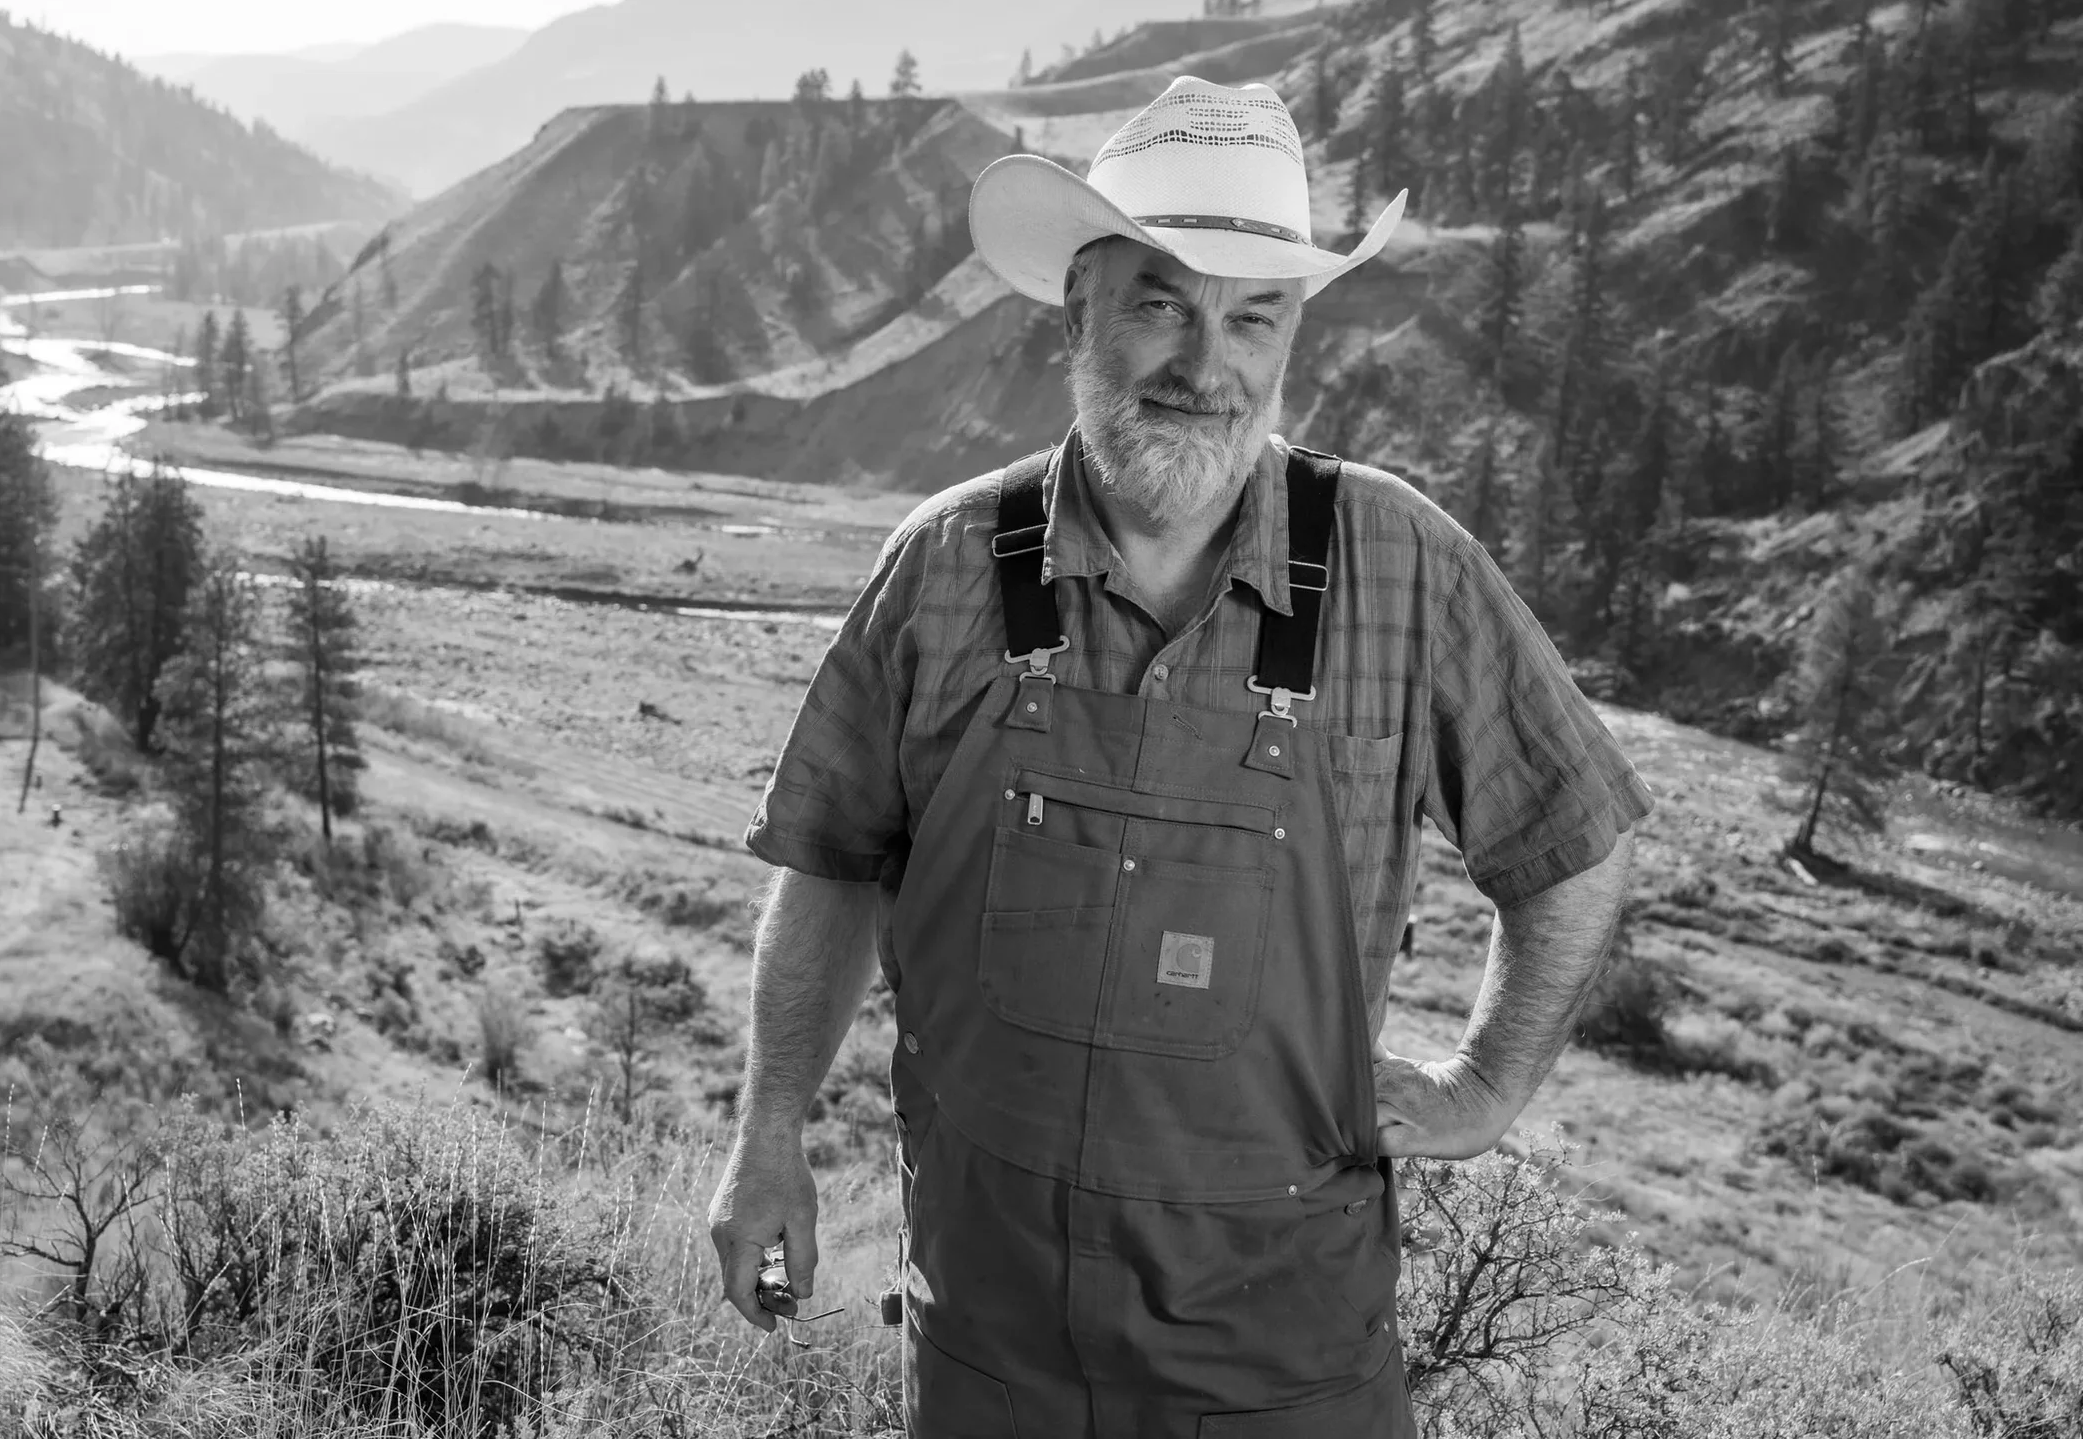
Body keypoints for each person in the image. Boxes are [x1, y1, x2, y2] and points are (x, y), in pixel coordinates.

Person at [707, 75, 1656, 1437]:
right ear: (1078, 310)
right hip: (988, 1354)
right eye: (1161, 301)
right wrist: (768, 1132)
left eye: (1251, 315)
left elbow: (1577, 841)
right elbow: (835, 865)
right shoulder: (948, 564)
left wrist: (1485, 1087)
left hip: (1286, 1370)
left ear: (1293, 340)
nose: (1205, 363)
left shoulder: (1399, 563)